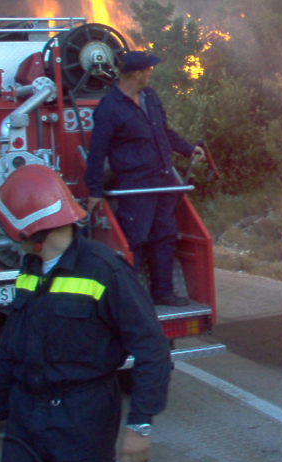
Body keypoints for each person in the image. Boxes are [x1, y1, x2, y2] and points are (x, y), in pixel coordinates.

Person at [0, 164, 172, 462]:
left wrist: (140, 424)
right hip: (26, 418)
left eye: (16, 235)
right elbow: (11, 351)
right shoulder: (31, 268)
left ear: (34, 232)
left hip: (83, 419)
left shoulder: (106, 270)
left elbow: (153, 349)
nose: (13, 243)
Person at [84, 50, 205, 306]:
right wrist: (94, 190)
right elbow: (97, 152)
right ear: (137, 73)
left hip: (163, 180)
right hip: (136, 187)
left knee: (164, 235)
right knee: (135, 239)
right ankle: (132, 299)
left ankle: (163, 292)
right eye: (148, 70)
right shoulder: (109, 109)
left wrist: (187, 148)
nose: (151, 73)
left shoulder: (150, 97)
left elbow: (164, 132)